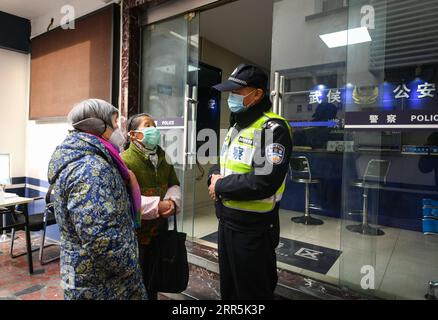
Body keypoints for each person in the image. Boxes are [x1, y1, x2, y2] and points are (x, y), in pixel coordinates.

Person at [207, 64, 293, 300]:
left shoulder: (271, 128)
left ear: (257, 94)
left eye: (237, 92)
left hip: (253, 228)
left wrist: (220, 186)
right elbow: (222, 162)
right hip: (227, 221)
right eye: (230, 92)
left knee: (253, 292)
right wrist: (213, 177)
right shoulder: (237, 126)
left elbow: (264, 181)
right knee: (231, 290)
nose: (231, 98)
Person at [47, 99, 147, 300]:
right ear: (98, 125)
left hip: (91, 276)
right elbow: (100, 237)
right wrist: (130, 266)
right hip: (102, 284)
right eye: (115, 121)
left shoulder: (90, 158)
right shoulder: (90, 169)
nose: (119, 128)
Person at [121, 113, 181, 300]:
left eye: (155, 124)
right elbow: (125, 199)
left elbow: (174, 184)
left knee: (153, 282)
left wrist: (172, 202)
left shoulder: (163, 157)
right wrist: (157, 206)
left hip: (159, 232)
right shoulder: (125, 160)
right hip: (137, 237)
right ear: (134, 135)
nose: (154, 128)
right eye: (148, 125)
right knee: (137, 285)